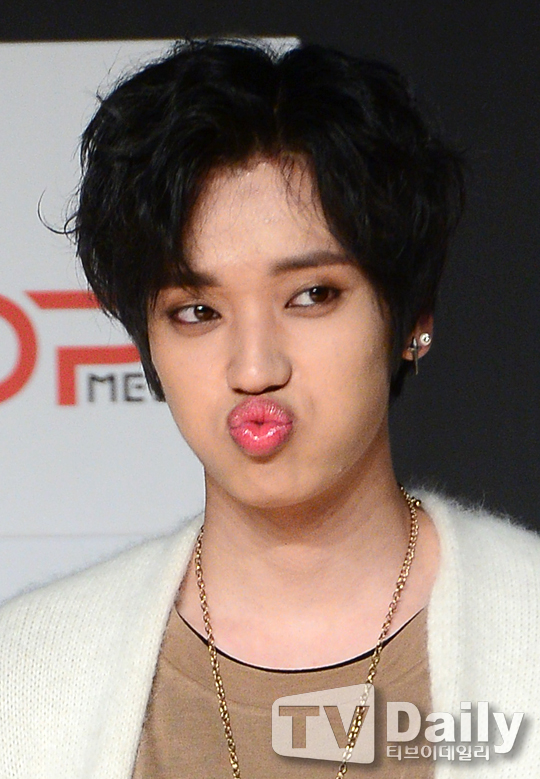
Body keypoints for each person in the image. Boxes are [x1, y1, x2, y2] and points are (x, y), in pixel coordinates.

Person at [1, 38, 539, 779]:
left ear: (412, 315)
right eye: (196, 311)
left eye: (311, 295)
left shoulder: (527, 625)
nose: (254, 369)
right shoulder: (24, 675)